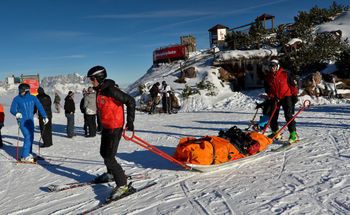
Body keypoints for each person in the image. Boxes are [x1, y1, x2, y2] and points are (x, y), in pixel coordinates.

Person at [87, 65, 135, 201]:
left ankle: (123, 185)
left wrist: (130, 122)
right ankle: (111, 174)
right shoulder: (100, 90)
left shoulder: (111, 90)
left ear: (99, 77)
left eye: (92, 78)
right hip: (107, 126)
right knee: (103, 153)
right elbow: (102, 108)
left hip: (115, 127)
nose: (91, 81)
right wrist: (100, 123)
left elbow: (130, 101)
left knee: (109, 157)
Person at [10, 83, 49, 162]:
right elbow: (12, 109)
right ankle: (24, 156)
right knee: (27, 136)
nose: (20, 92)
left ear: (26, 90)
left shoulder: (33, 98)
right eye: (19, 90)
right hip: (22, 121)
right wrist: (16, 113)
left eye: (22, 90)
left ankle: (29, 153)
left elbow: (40, 106)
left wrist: (45, 116)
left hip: (30, 121)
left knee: (31, 137)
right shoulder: (16, 99)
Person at [264, 59, 299, 143]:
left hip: (286, 96)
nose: (272, 68)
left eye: (274, 66)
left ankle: (293, 134)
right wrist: (270, 96)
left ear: (278, 66)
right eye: (271, 66)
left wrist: (294, 95)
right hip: (275, 97)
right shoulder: (268, 76)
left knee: (288, 115)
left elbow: (293, 86)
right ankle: (275, 132)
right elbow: (268, 89)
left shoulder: (285, 74)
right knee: (272, 116)